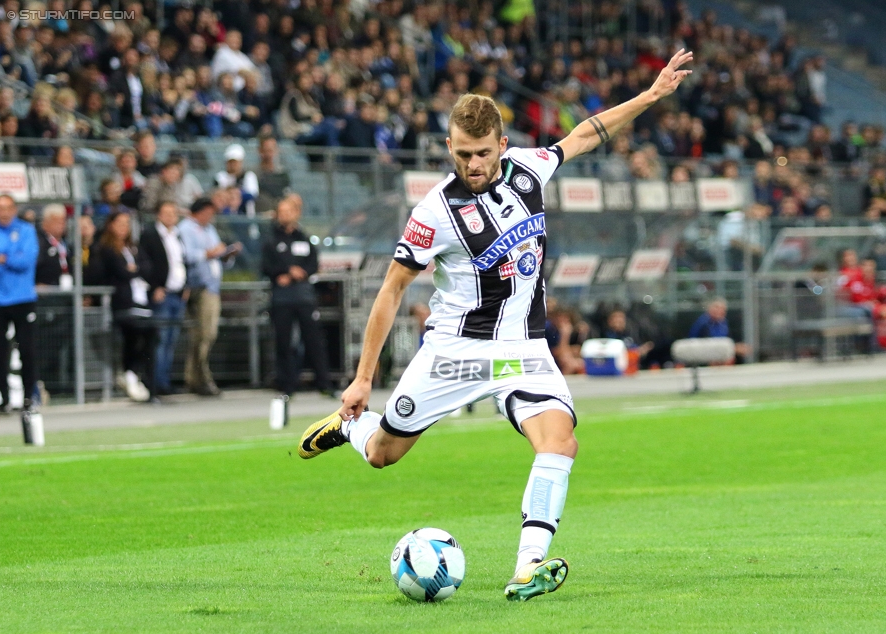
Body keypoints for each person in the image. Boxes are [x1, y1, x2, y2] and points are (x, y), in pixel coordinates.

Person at [297, 51, 694, 601]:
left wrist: (649, 97)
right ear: (448, 148)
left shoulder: (531, 168)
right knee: (383, 454)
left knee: (560, 442)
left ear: (502, 147)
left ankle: (527, 568)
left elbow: (585, 134)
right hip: (455, 351)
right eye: (463, 154)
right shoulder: (435, 212)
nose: (473, 164)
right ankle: (350, 428)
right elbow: (391, 290)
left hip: (524, 350)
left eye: (483, 153)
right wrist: (363, 379)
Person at [261, 197, 332, 397]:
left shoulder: (304, 238)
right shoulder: (271, 240)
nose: (285, 215)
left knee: (314, 340)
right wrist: (284, 271)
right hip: (281, 299)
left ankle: (323, 382)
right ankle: (287, 384)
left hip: (304, 297)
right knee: (283, 341)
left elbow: (312, 263)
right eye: (281, 211)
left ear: (296, 213)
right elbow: (266, 266)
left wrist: (300, 273)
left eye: (288, 211)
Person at [87, 212, 153, 402]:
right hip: (122, 302)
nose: (124, 227)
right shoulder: (106, 248)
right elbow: (120, 271)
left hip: (141, 300)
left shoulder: (133, 247)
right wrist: (133, 271)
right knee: (131, 336)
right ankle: (127, 373)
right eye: (120, 223)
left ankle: (133, 373)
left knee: (145, 336)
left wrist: (135, 270)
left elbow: (148, 267)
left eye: (127, 223)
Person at [179, 197, 240, 396]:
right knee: (203, 335)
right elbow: (186, 255)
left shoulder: (209, 229)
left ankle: (195, 377)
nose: (211, 216)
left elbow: (217, 256)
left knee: (207, 335)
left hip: (212, 287)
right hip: (199, 287)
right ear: (200, 211)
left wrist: (227, 254)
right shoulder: (186, 228)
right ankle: (200, 378)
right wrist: (209, 253)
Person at [138, 202, 188, 396]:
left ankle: (164, 380)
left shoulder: (178, 235)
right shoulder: (150, 235)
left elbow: (183, 261)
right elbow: (145, 263)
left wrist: (187, 285)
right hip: (162, 293)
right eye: (166, 213)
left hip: (178, 293)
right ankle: (155, 382)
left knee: (171, 340)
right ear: (158, 215)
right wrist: (155, 286)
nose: (170, 216)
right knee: (160, 339)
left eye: (173, 213)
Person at [0, 194, 39, 414]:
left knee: (27, 350)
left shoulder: (26, 231)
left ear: (14, 209)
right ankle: (4, 398)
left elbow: (26, 260)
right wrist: (11, 258)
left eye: (7, 208)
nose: (3, 212)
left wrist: (5, 259)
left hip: (23, 299)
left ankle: (28, 397)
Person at [34, 204, 73, 397]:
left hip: (63, 301)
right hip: (45, 302)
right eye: (58, 221)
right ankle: (41, 382)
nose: (62, 225)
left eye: (63, 221)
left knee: (60, 343)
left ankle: (56, 384)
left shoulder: (65, 243)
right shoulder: (39, 241)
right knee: (43, 343)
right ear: (46, 223)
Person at [215, 144, 259, 215]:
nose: (233, 165)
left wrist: (236, 193)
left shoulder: (249, 176)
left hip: (245, 212)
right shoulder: (220, 177)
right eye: (230, 162)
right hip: (225, 212)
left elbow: (253, 195)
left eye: (235, 162)